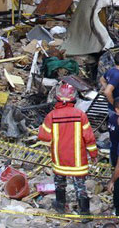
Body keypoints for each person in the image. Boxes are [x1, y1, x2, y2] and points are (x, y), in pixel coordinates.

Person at [38, 82, 97, 214]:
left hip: (59, 159)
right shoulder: (81, 115)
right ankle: (85, 213)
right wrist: (93, 155)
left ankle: (60, 205)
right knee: (80, 186)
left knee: (59, 182)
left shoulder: (51, 116)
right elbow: (89, 138)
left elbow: (43, 136)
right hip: (78, 159)